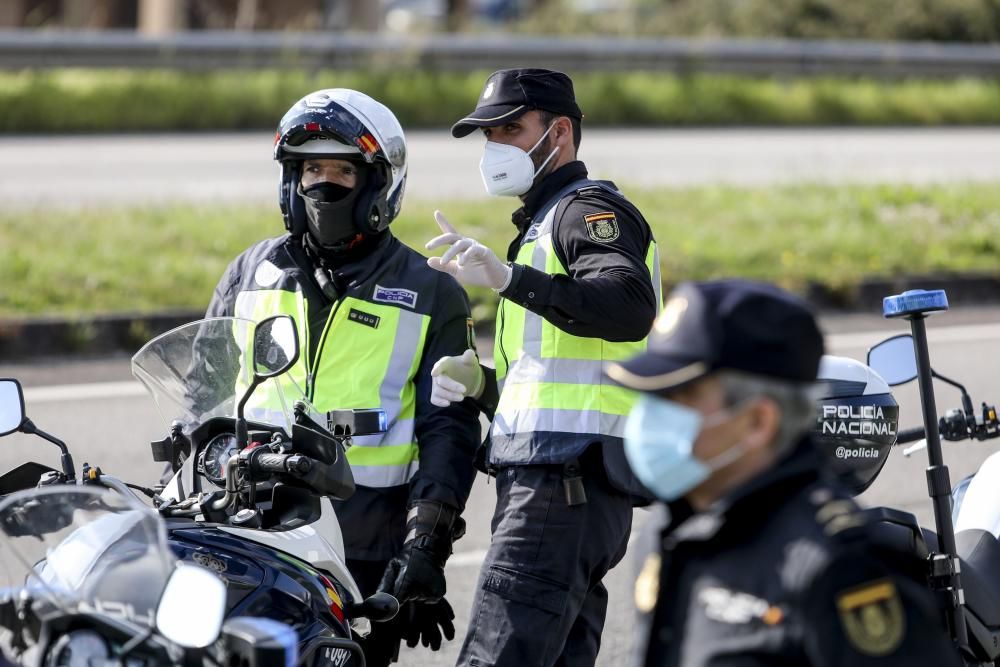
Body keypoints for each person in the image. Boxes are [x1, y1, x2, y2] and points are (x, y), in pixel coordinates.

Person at [204, 88, 480, 665]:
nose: (321, 185)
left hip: (360, 552)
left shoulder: (431, 292)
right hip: (252, 533)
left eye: (340, 170)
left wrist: (426, 547)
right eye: (309, 169)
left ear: (379, 183)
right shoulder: (252, 272)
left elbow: (447, 434)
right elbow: (200, 393)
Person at [425, 68, 661, 665]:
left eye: (509, 129)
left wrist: (510, 281)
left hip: (562, 482)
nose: (495, 147)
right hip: (567, 482)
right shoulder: (543, 222)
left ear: (558, 132)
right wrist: (484, 386)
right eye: (488, 135)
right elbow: (560, 371)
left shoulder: (587, 210)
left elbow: (629, 306)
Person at [604, 279, 962, 667]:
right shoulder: (670, 531)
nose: (650, 417)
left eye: (681, 397)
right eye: (653, 396)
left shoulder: (839, 568)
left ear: (758, 422)